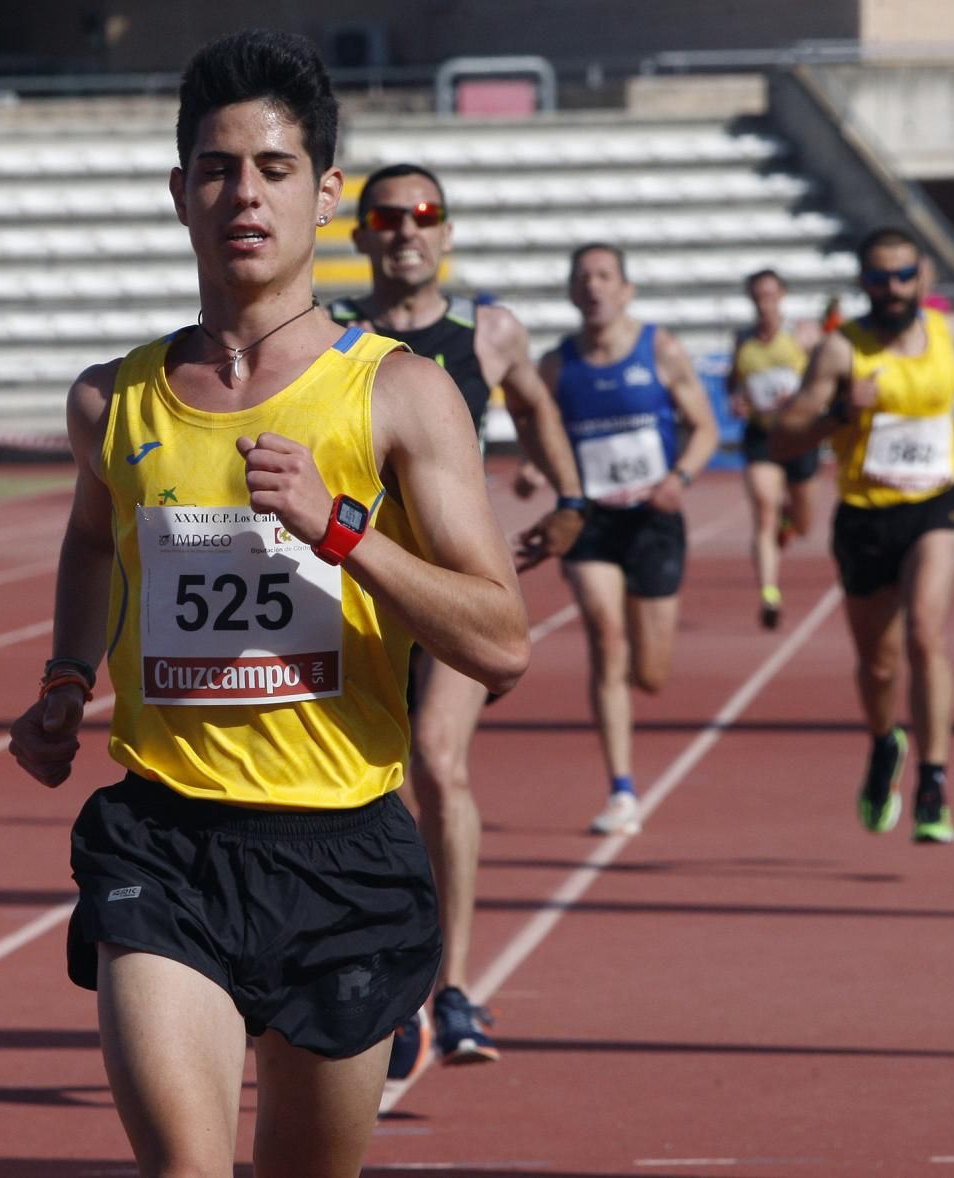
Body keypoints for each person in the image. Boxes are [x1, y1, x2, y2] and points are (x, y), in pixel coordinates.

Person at [6, 29, 530, 1178]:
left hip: (342, 854)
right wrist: (62, 677)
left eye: (276, 168)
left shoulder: (399, 393)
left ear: (327, 194)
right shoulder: (113, 399)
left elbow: (501, 641)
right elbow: (94, 541)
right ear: (179, 192)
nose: (244, 192)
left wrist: (343, 531)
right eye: (216, 166)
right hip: (167, 841)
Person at [329, 162, 586, 1073]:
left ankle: (458, 990)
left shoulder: (492, 332)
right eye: (388, 215)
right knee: (383, 786)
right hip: (368, 595)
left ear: (447, 232)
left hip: (461, 593)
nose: (407, 229)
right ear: (357, 233)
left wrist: (569, 499)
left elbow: (537, 407)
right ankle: (403, 982)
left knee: (441, 762)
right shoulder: (334, 341)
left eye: (425, 213)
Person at [770, 225, 954, 845]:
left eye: (903, 275)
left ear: (921, 276)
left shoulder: (949, 333)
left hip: (935, 504)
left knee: (926, 632)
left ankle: (933, 780)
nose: (892, 287)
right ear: (863, 281)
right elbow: (785, 435)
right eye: (879, 277)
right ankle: (883, 744)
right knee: (879, 665)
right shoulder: (842, 351)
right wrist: (841, 412)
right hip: (866, 515)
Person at [522, 242, 719, 836]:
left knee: (651, 673)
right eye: (584, 277)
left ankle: (638, 658)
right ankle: (622, 790)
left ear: (625, 289)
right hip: (593, 522)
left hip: (654, 517)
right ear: (571, 291)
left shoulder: (660, 349)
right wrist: (544, 472)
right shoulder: (558, 364)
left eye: (606, 276)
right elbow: (536, 425)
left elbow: (706, 428)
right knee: (606, 640)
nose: (595, 287)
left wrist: (679, 478)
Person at [728, 268, 822, 629]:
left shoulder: (801, 336)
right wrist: (738, 402)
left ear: (782, 296)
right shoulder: (742, 341)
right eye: (758, 297)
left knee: (803, 523)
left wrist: (800, 397)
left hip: (799, 436)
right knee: (763, 512)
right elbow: (734, 385)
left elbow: (824, 380)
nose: (764, 303)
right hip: (762, 436)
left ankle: (789, 522)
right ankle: (769, 593)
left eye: (770, 296)